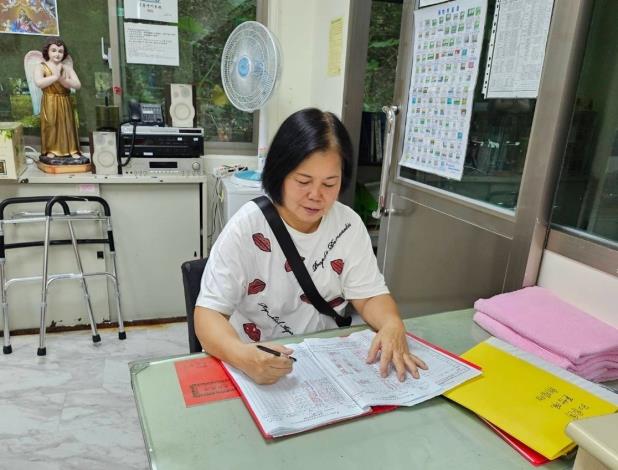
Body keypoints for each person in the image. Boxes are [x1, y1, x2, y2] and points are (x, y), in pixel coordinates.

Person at [195, 108, 428, 385]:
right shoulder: (248, 226)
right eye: (303, 181)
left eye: (330, 183)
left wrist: (392, 324)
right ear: (279, 173)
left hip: (323, 361)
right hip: (256, 359)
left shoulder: (347, 225)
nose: (316, 196)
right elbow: (208, 314)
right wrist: (243, 356)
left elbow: (368, 295)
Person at [33, 37, 82, 159]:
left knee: (68, 125)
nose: (57, 54)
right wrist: (55, 76)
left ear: (64, 53)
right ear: (47, 52)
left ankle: (72, 149)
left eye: (60, 51)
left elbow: (77, 84)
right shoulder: (41, 67)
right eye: (54, 50)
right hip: (50, 100)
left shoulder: (67, 68)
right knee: (51, 124)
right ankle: (51, 149)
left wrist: (63, 79)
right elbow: (39, 83)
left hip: (65, 100)